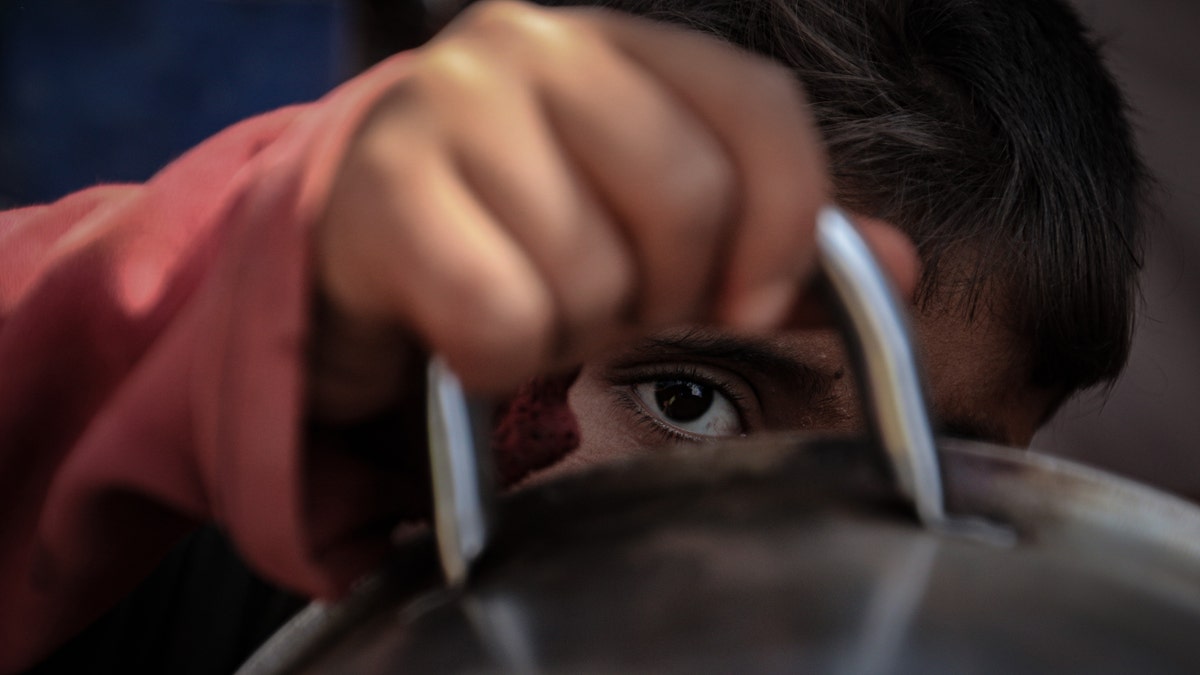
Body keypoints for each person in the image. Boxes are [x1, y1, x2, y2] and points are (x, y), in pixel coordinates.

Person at [0, 0, 1145, 671]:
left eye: (919, 468)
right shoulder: (141, 576)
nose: (803, 572)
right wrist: (244, 292)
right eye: (691, 404)